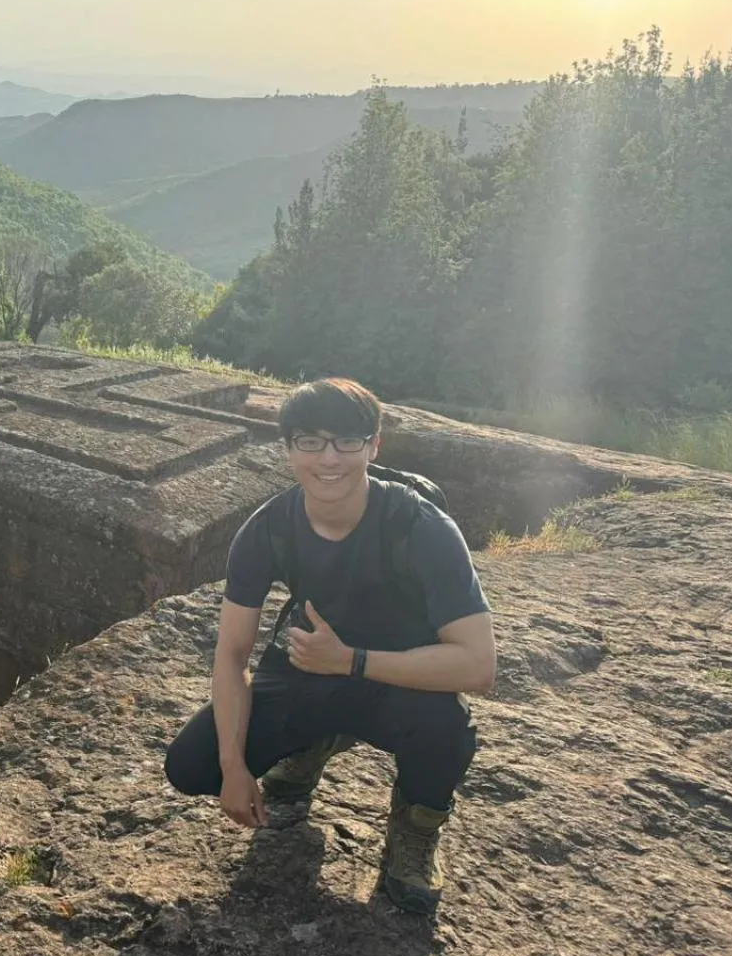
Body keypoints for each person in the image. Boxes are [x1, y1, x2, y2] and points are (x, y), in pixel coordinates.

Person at [163, 377, 495, 913]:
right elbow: (230, 655)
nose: (329, 459)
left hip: (394, 675)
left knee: (444, 730)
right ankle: (313, 742)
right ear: (289, 448)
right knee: (190, 766)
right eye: (310, 442)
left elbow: (479, 664)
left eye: (347, 441)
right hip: (308, 667)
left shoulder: (420, 526)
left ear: (374, 446)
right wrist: (232, 768)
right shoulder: (268, 529)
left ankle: (415, 828)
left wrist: (352, 661)